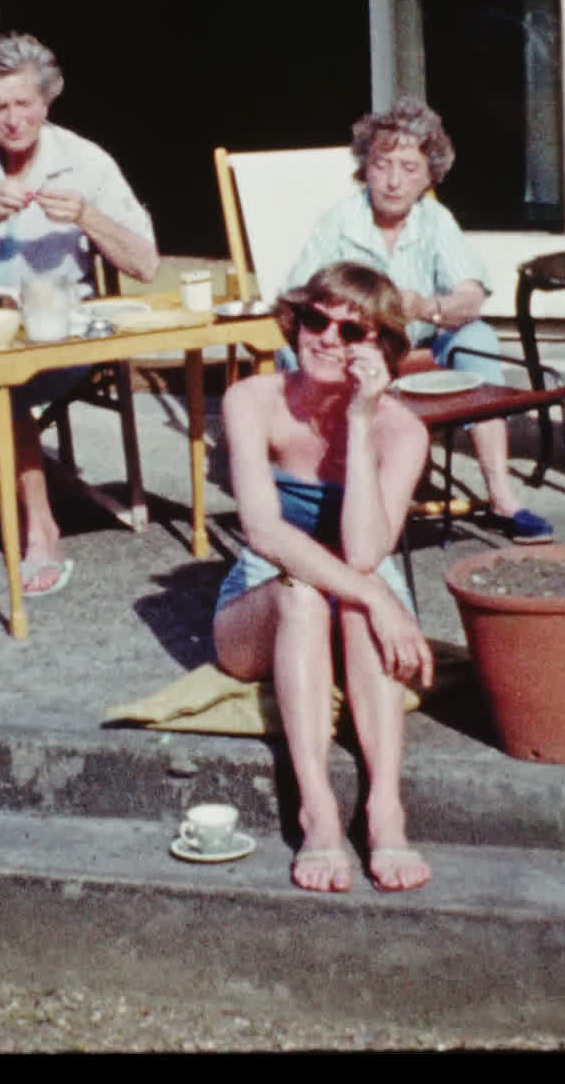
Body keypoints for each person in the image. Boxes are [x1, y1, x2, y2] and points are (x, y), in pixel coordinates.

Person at [216, 260, 434, 894]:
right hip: (266, 599)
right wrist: (373, 594)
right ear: (296, 320)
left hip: (354, 601)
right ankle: (317, 809)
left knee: (357, 596)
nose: (328, 340)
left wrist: (360, 423)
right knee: (311, 593)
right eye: (317, 319)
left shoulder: (400, 430)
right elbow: (263, 531)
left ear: (383, 350)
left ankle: (386, 807)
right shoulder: (253, 400)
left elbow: (365, 550)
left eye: (352, 331)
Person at [0, 33, 160, 597]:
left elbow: (145, 264)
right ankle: (40, 511)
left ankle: (37, 521)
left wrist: (89, 216)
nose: (13, 118)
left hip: (61, 337)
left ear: (46, 101)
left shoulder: (84, 159)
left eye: (24, 102)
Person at [285, 99, 552, 544]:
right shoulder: (338, 223)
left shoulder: (435, 220)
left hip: (422, 341)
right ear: (364, 168)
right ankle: (322, 490)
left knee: (479, 337)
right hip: (358, 343)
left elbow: (469, 296)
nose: (392, 181)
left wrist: (425, 306)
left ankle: (502, 496)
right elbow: (301, 297)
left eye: (409, 168)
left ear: (430, 176)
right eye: (381, 164)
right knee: (298, 349)